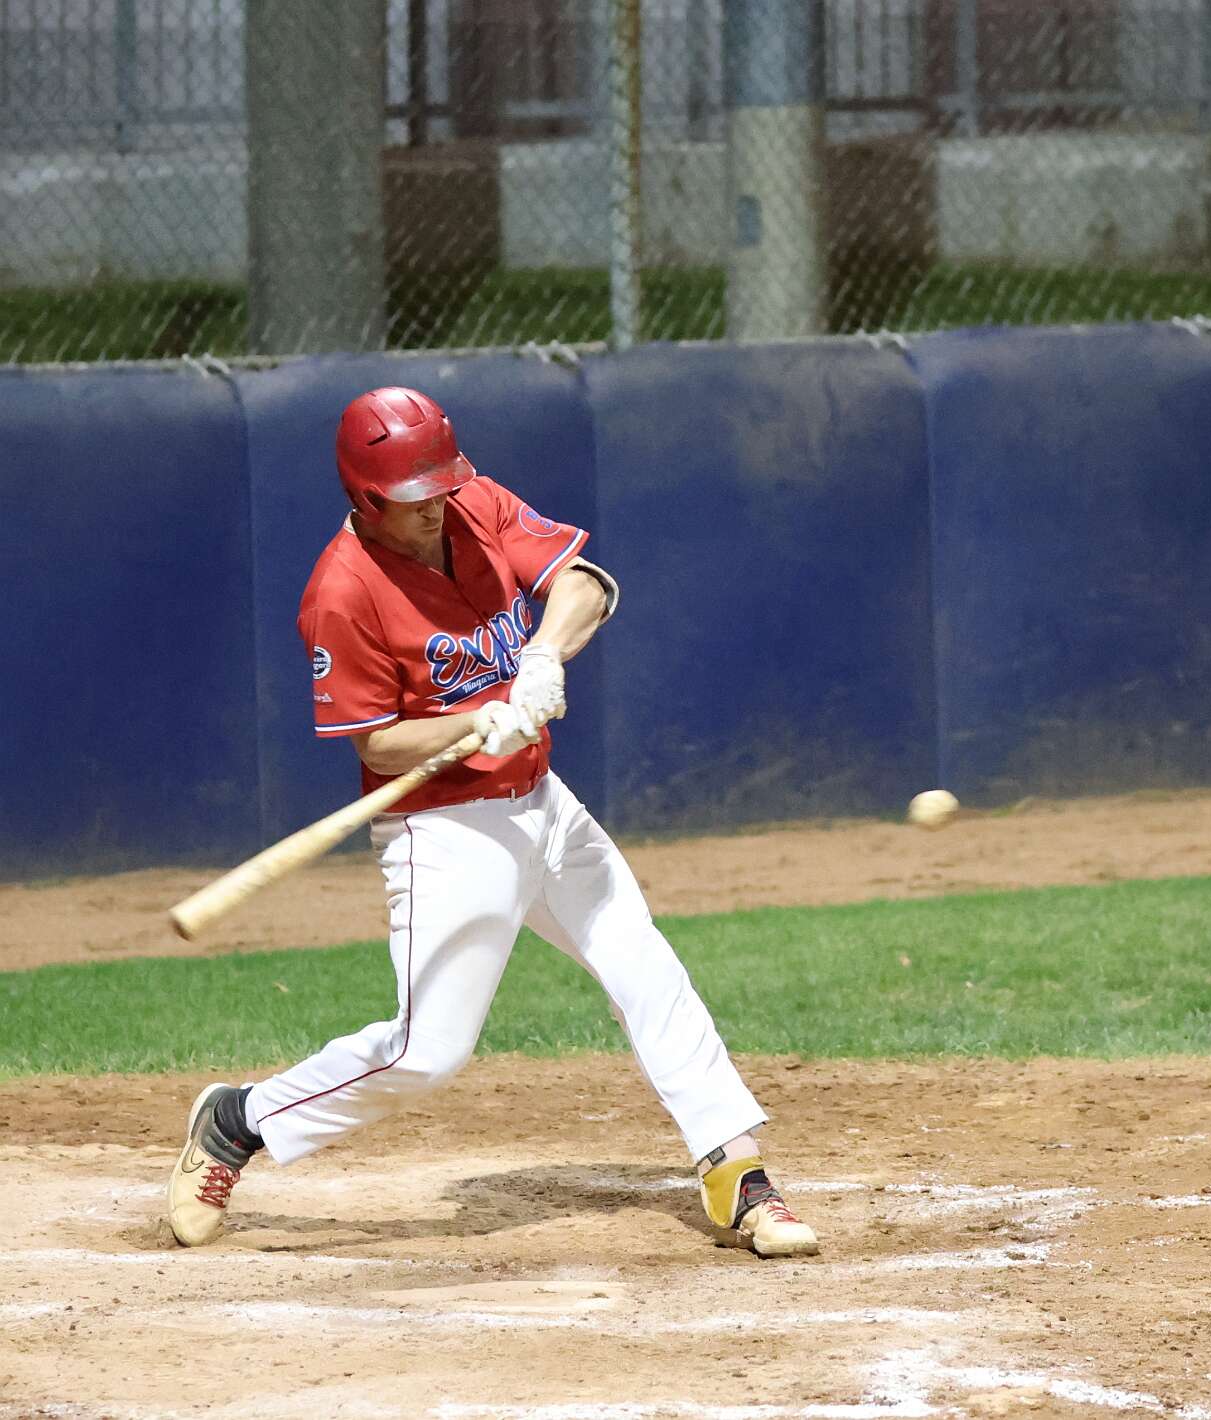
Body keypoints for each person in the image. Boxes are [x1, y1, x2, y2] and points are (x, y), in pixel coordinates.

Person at [165, 386, 817, 1259]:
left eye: (441, 485)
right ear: (365, 496)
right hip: (444, 832)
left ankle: (739, 1173)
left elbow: (583, 584)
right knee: (425, 1055)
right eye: (414, 496)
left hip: (545, 803)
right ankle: (239, 1121)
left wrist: (541, 655)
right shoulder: (341, 591)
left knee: (645, 969)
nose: (436, 505)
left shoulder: (475, 502)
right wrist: (473, 722)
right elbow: (379, 743)